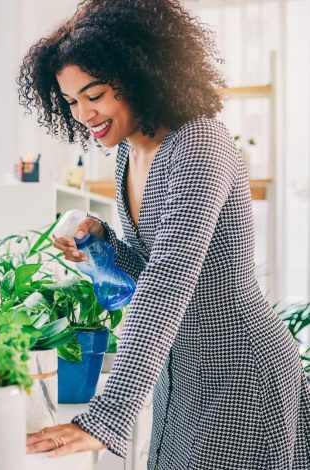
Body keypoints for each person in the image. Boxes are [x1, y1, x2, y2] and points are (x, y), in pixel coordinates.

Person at [17, 1, 310, 468]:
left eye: (95, 94)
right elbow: (147, 267)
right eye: (72, 102)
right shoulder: (125, 156)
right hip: (181, 373)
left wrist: (107, 415)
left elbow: (170, 279)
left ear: (138, 75)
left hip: (239, 370)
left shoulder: (199, 144)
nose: (84, 114)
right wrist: (105, 243)